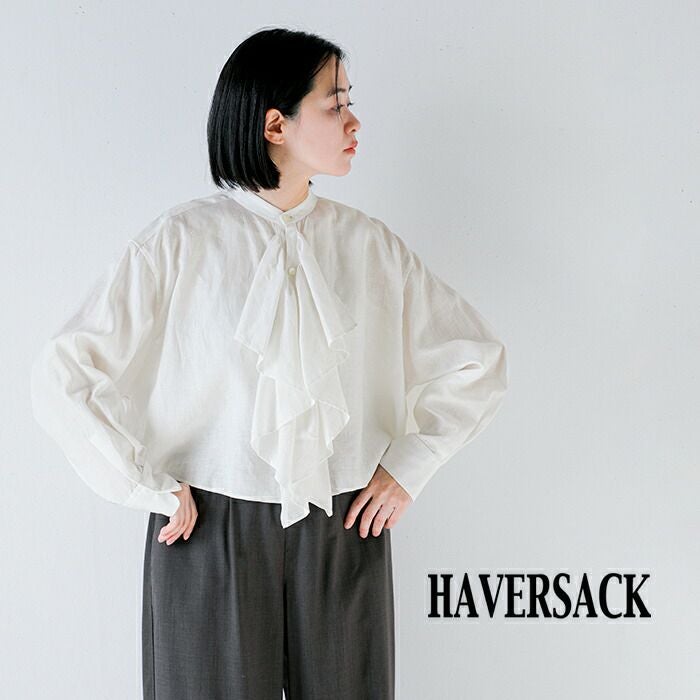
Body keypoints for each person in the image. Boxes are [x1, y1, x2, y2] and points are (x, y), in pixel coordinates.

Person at [30, 27, 509, 700]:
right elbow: (65, 372)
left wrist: (410, 466)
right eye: (335, 104)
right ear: (275, 124)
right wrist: (146, 487)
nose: (354, 121)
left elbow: (476, 360)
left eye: (349, 102)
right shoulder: (180, 243)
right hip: (205, 526)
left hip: (346, 522)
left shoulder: (369, 247)